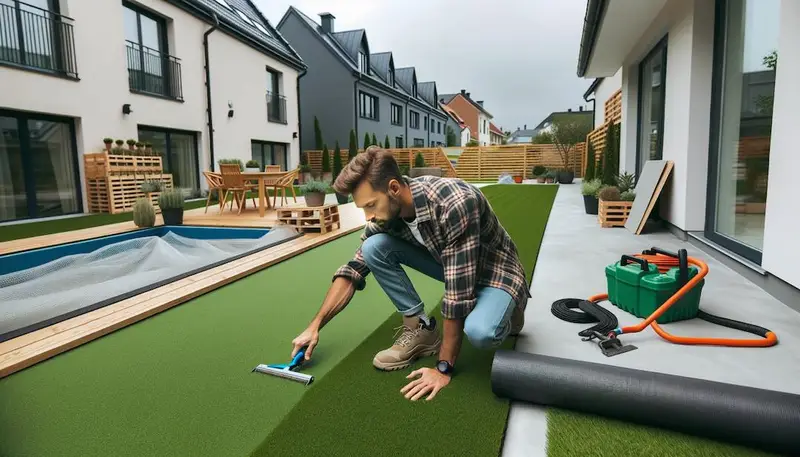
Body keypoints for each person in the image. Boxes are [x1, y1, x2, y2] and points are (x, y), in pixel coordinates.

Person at [290, 146, 530, 401]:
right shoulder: (384, 216)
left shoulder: (455, 203)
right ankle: (422, 329)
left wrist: (443, 368)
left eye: (371, 205)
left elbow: (457, 296)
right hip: (449, 264)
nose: (368, 216)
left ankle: (509, 310)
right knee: (373, 247)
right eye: (363, 208)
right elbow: (354, 270)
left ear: (394, 188)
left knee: (481, 333)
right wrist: (314, 327)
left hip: (495, 273)